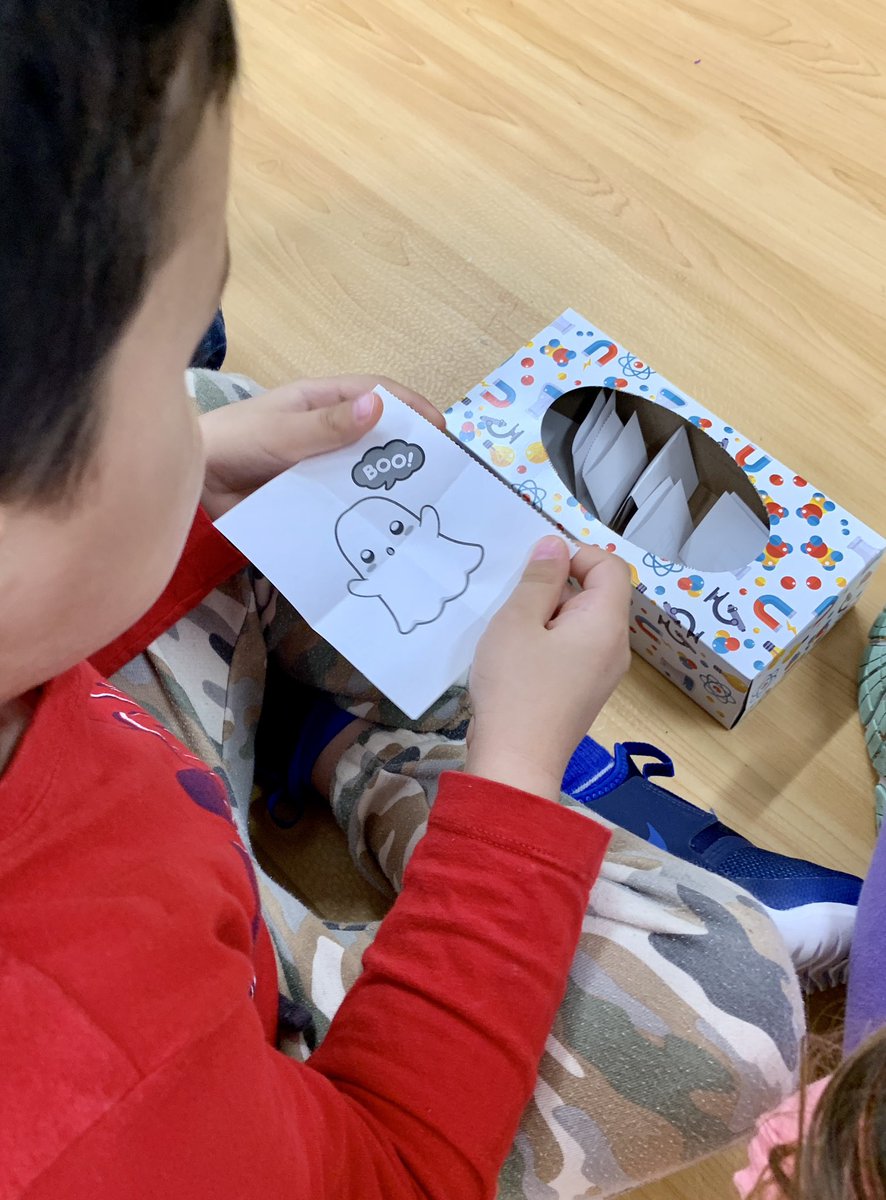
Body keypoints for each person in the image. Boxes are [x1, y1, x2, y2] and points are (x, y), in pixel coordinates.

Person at [0, 3, 803, 1197]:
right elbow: (400, 1168)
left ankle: (343, 748)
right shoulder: (101, 1103)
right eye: (160, 365)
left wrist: (207, 467)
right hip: (228, 1089)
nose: (183, 391)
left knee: (250, 428)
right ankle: (415, 767)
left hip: (127, 874)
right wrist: (517, 774)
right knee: (733, 998)